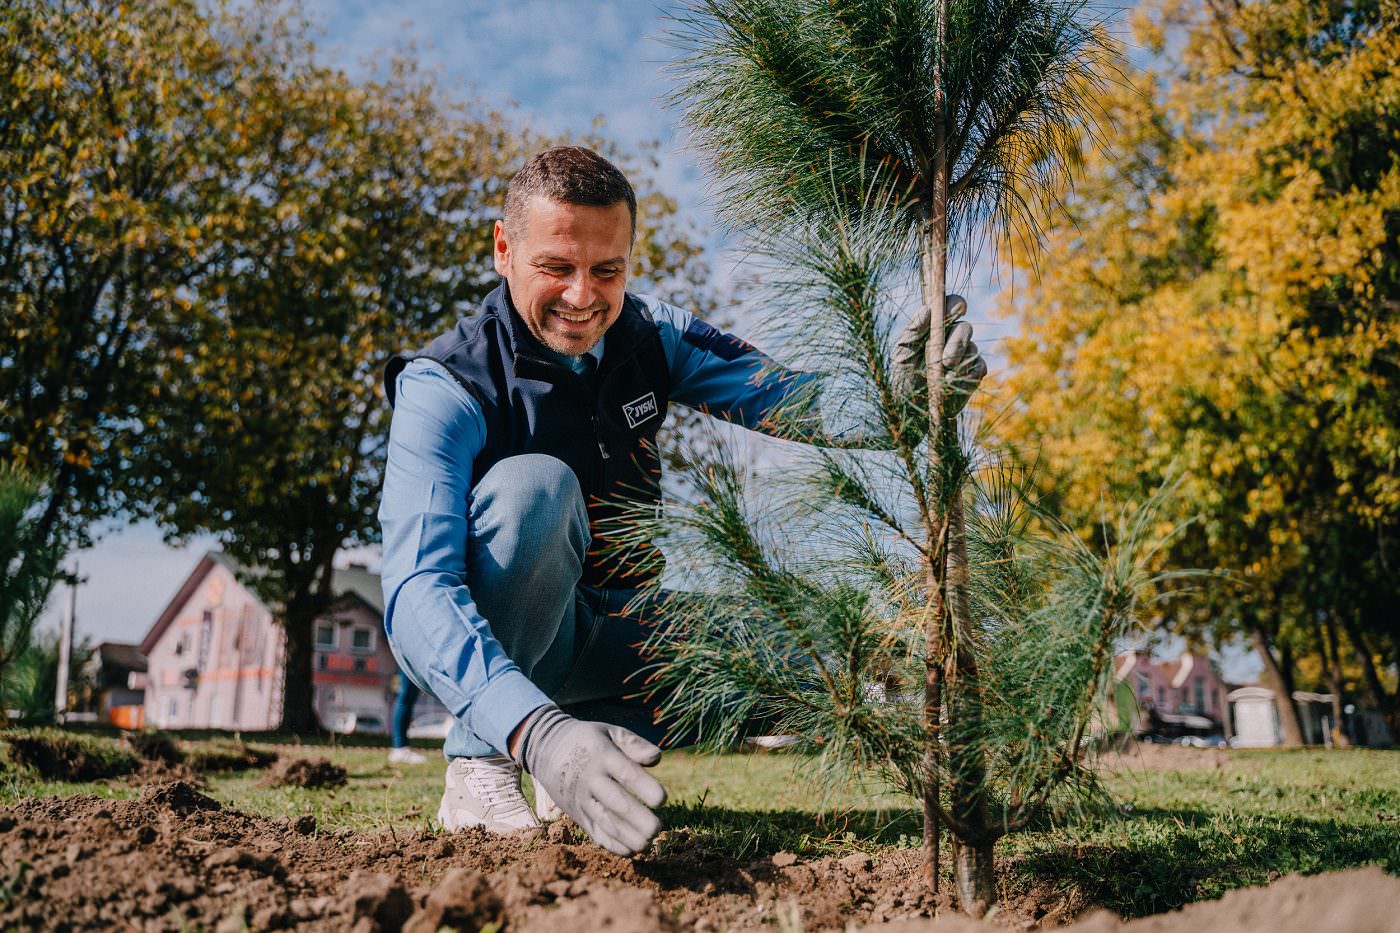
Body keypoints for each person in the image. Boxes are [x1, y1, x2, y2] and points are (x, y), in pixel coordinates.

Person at [378, 146, 986, 857]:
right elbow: (417, 586)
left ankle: (589, 737)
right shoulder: (445, 384)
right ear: (504, 248)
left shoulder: (648, 335)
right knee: (535, 492)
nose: (583, 296)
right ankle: (486, 761)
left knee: (827, 646)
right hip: (506, 649)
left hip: (619, 627)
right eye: (556, 267)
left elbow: (780, 394)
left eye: (607, 270)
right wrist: (530, 729)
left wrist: (903, 399)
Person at [387, 673, 428, 765]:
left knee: (410, 694)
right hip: (412, 658)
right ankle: (399, 748)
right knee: (405, 694)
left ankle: (401, 747)